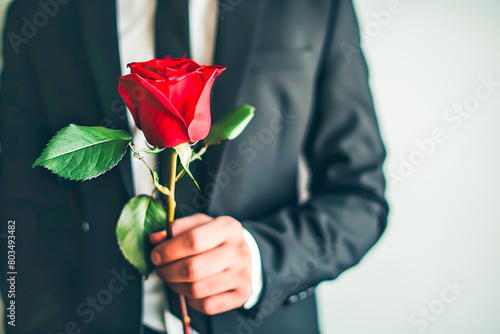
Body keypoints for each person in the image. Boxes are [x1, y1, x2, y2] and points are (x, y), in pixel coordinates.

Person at [0, 0, 388, 333]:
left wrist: (261, 258)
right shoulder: (40, 12)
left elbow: (360, 196)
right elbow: (19, 210)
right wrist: (23, 320)